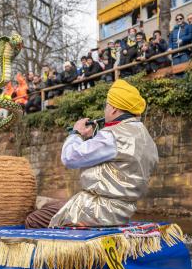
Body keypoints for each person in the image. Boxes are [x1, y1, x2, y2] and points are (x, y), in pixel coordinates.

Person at [25, 79, 158, 228]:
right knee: (51, 206)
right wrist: (91, 139)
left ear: (114, 109)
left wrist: (76, 134)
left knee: (34, 219)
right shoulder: (145, 137)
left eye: (106, 105)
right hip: (123, 211)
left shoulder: (111, 135)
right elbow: (117, 164)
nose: (105, 110)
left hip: (96, 211)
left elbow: (69, 158)